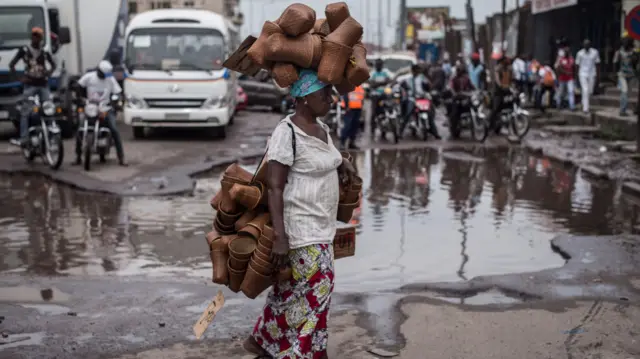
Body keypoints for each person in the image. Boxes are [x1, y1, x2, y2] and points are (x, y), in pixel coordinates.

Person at [244, 69, 356, 359]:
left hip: (322, 226)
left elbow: (326, 157)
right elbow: (275, 187)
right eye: (324, 94)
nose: (331, 99)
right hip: (302, 230)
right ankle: (305, 353)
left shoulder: (322, 129)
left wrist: (342, 163)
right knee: (320, 289)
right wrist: (280, 237)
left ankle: (264, 340)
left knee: (291, 292)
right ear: (304, 98)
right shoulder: (287, 132)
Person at [74, 60, 128, 166]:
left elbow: (118, 92)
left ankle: (121, 157)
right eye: (103, 74)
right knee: (80, 129)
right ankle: (78, 157)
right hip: (91, 107)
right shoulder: (89, 77)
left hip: (105, 108)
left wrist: (115, 103)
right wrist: (80, 98)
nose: (104, 76)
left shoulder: (110, 79)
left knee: (114, 129)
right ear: (99, 71)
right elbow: (78, 86)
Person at [9, 27, 56, 145]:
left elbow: (53, 65)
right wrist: (19, 78)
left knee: (48, 109)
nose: (36, 38)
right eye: (34, 35)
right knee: (25, 111)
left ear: (41, 38)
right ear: (32, 37)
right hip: (29, 85)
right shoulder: (24, 50)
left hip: (43, 84)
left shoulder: (44, 52)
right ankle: (24, 138)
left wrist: (48, 73)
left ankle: (51, 135)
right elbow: (12, 64)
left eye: (38, 36)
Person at [401, 64, 440, 139]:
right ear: (412, 71)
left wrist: (427, 86)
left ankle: (435, 133)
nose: (417, 72)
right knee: (408, 114)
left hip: (421, 99)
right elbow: (402, 85)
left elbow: (429, 86)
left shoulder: (422, 78)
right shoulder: (408, 79)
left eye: (418, 70)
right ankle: (400, 132)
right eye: (415, 70)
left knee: (429, 115)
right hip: (412, 99)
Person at [448, 63, 476, 139]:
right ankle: (453, 129)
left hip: (466, 98)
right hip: (457, 99)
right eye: (459, 71)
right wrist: (454, 93)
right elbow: (451, 88)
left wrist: (476, 90)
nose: (460, 72)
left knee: (474, 106)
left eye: (462, 71)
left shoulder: (467, 79)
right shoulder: (454, 79)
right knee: (455, 113)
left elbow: (472, 86)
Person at [613, 37, 637, 116]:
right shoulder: (619, 52)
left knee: (628, 93)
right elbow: (615, 63)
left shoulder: (633, 52)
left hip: (631, 75)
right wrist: (615, 74)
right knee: (624, 91)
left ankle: (625, 108)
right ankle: (622, 110)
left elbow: (635, 64)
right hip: (622, 74)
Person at [488, 55, 512, 134]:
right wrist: (501, 85)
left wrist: (512, 87)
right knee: (495, 109)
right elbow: (497, 79)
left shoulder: (509, 69)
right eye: (506, 61)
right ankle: (490, 125)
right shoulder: (498, 69)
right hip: (498, 92)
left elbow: (511, 79)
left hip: (507, 91)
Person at [575, 39, 600, 113]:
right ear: (583, 45)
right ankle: (586, 108)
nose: (586, 46)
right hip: (582, 73)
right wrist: (576, 76)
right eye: (585, 45)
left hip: (592, 73)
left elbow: (598, 64)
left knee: (590, 91)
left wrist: (598, 75)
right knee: (585, 90)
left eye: (588, 44)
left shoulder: (595, 52)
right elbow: (577, 65)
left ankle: (583, 102)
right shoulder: (579, 53)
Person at [340, 84, 365, 149]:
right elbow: (345, 96)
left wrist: (361, 106)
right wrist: (346, 106)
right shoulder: (349, 85)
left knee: (355, 126)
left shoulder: (359, 87)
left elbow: (361, 98)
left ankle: (351, 143)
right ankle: (342, 143)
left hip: (358, 109)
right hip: (350, 109)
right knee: (347, 126)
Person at [555, 46, 576, 111]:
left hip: (570, 79)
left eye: (568, 51)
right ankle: (558, 105)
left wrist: (574, 77)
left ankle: (572, 106)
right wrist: (565, 72)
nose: (567, 53)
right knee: (560, 93)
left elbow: (574, 68)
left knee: (571, 92)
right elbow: (559, 68)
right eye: (565, 52)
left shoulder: (571, 59)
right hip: (562, 79)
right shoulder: (561, 59)